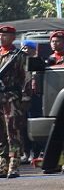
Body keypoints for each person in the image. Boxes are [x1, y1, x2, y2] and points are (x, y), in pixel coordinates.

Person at [0, 26, 32, 178]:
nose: (2, 38)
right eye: (0, 35)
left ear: (13, 37)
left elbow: (27, 77)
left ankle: (14, 164)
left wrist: (26, 97)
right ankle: (2, 164)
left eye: (5, 35)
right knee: (0, 133)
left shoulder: (18, 55)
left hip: (11, 97)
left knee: (13, 130)